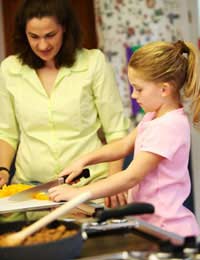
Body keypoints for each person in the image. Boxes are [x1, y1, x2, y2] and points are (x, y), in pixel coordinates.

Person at [49, 40, 200, 237]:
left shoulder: (170, 126)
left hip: (170, 229)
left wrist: (78, 194)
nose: (134, 95)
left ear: (164, 89)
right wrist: (84, 160)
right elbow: (124, 145)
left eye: (139, 89)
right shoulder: (153, 117)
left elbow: (132, 176)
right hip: (150, 225)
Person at [0, 0, 130, 208]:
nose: (42, 45)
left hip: (89, 187)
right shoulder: (9, 70)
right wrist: (3, 169)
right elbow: (7, 134)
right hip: (30, 191)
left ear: (65, 29)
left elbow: (116, 132)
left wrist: (113, 183)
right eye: (34, 37)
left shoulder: (93, 63)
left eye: (50, 35)